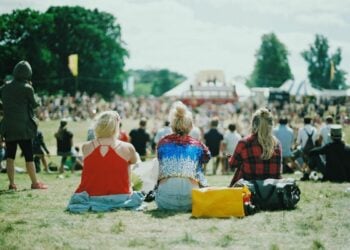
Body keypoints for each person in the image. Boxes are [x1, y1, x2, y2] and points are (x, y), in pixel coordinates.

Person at [66, 110, 144, 213]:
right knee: (134, 161)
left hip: (91, 197)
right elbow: (135, 162)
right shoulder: (128, 147)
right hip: (121, 196)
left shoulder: (86, 147)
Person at [0, 60, 47, 190]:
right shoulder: (27, 88)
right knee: (28, 155)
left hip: (8, 126)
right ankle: (34, 183)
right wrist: (31, 88)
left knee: (10, 156)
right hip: (24, 127)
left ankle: (11, 184)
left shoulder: (4, 87)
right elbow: (35, 104)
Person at [155, 101, 210, 211]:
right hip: (192, 201)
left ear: (172, 125)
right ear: (190, 127)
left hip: (164, 201)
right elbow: (207, 158)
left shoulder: (162, 143)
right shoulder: (198, 145)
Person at [228, 108, 282, 186]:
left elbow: (232, 164)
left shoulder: (244, 143)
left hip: (249, 190)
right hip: (271, 191)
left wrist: (229, 157)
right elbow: (278, 171)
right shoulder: (276, 144)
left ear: (253, 124)